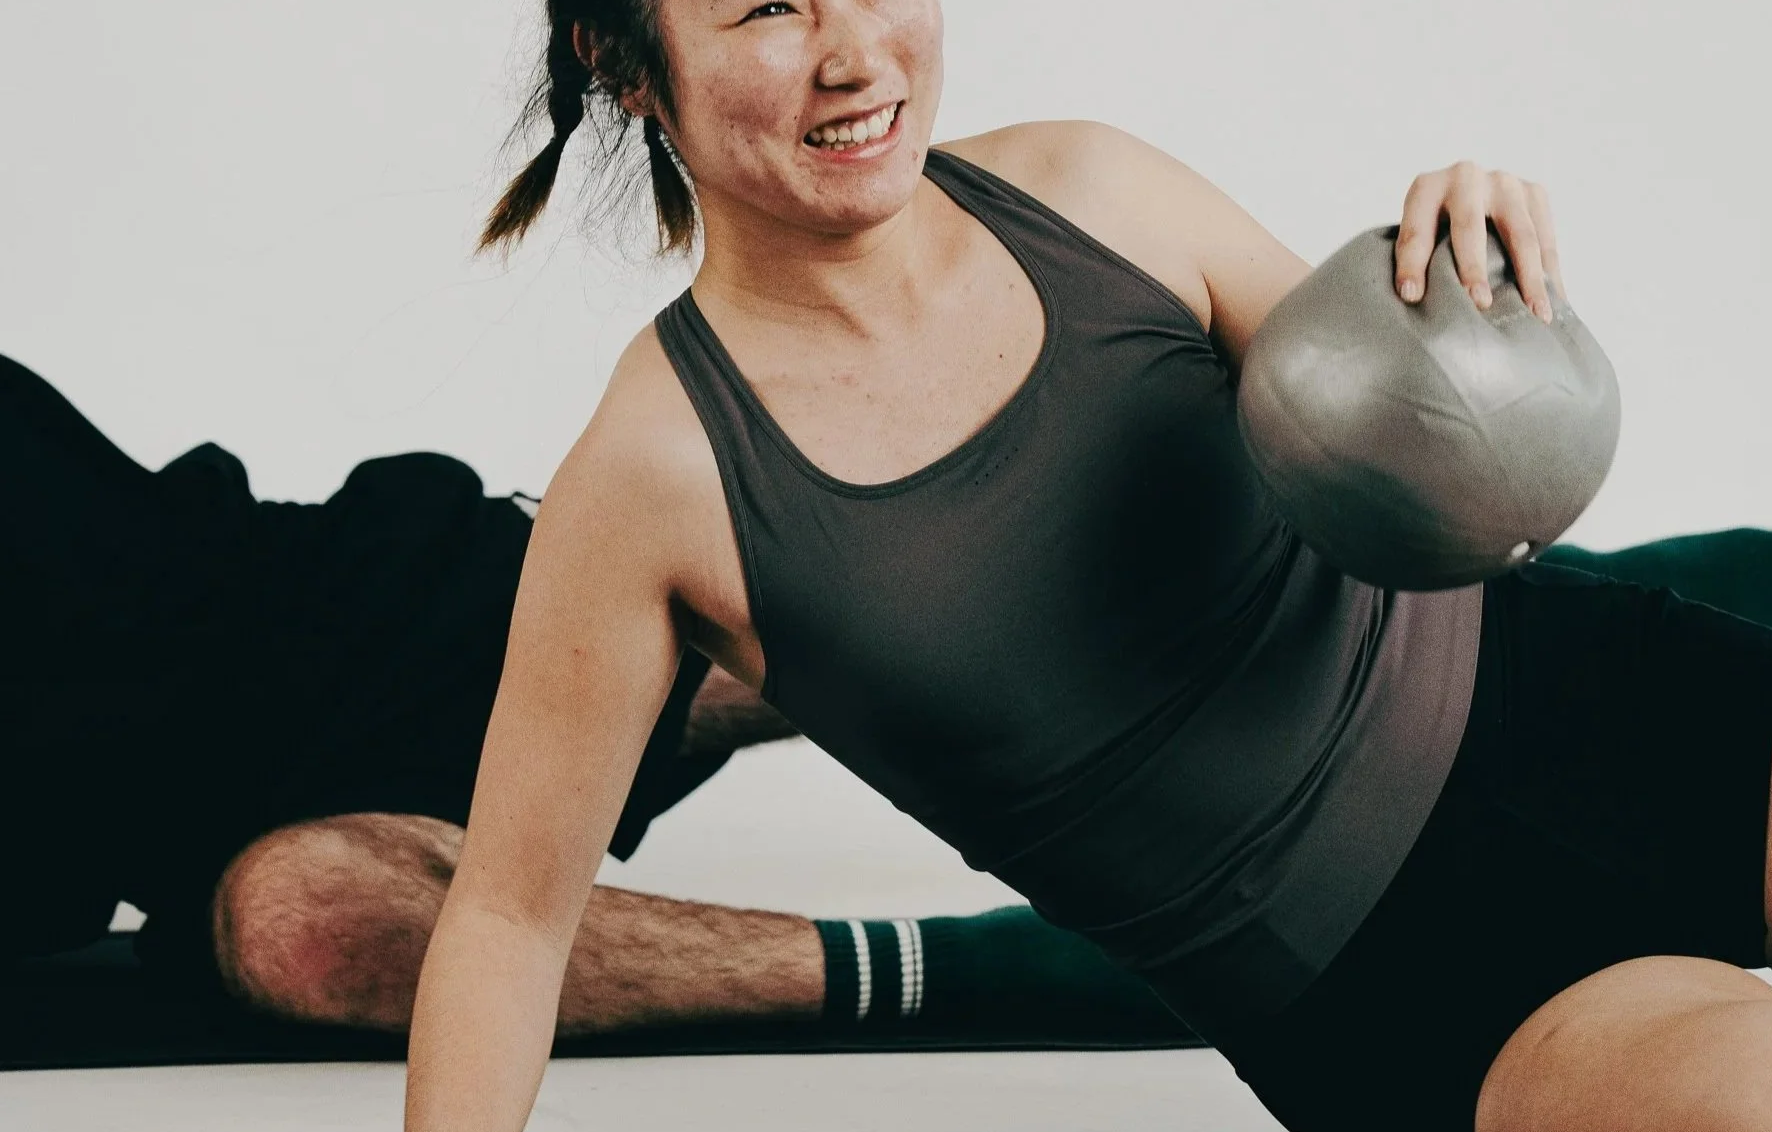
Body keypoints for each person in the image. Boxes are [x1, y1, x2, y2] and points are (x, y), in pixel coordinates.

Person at [236, 0, 1772, 1132]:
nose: (856, 54)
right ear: (625, 60)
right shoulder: (655, 478)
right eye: (770, 8)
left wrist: (1460, 278)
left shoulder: (1093, 194)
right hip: (1410, 995)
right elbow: (511, 908)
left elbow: (1438, 470)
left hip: (1606, 709)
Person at [7, 350, 1772, 1048]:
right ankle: (998, 967)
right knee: (306, 928)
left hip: (406, 624)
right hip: (213, 841)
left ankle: (1682, 610)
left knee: (1062, 605)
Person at [3, 349, 1177, 1043]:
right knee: (301, 927)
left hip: (308, 623)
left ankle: (1160, 655)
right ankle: (990, 967)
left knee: (786, 632)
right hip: (175, 856)